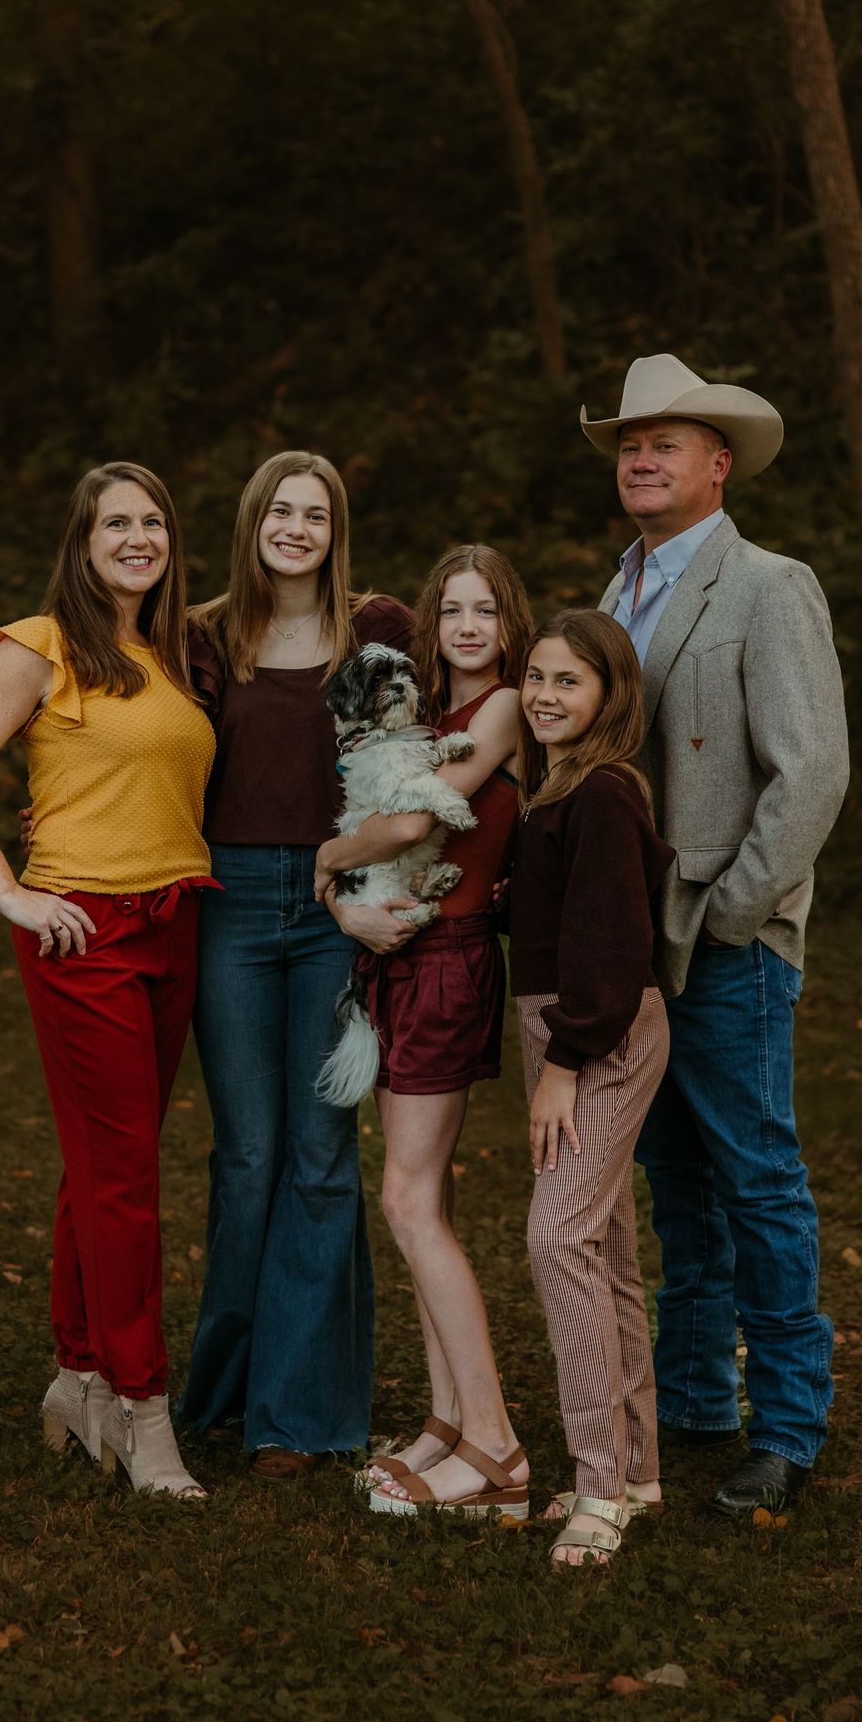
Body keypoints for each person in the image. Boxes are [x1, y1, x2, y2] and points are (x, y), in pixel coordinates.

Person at [581, 353, 850, 1516]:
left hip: (727, 939)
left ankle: (787, 1428)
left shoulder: (769, 587)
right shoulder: (615, 594)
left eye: (667, 444)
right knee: (674, 1185)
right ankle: (695, 1401)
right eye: (631, 445)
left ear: (719, 463)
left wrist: (737, 910)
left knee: (758, 1183)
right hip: (634, 948)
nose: (642, 459)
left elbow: (812, 772)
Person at [0, 461, 216, 1500]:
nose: (138, 538)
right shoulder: (42, 644)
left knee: (104, 1163)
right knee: (125, 1175)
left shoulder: (172, 652)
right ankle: (143, 1407)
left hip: (177, 924)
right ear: (83, 544)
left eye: (153, 521)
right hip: (83, 932)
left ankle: (78, 1372)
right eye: (115, 523)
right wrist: (10, 893)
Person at [177, 452, 412, 1477]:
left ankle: (299, 1413)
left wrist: (365, 883)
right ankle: (223, 1394)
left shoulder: (375, 632)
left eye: (316, 514)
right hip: (226, 902)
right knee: (247, 1156)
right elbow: (153, 755)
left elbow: (414, 752)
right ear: (252, 521)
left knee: (320, 1155)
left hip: (331, 902)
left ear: (336, 531)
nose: (296, 528)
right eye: (280, 510)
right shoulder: (204, 636)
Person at [311, 546, 531, 1517]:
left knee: (406, 1200)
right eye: (452, 612)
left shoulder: (504, 708)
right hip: (405, 956)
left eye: (487, 611)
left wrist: (321, 858)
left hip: (448, 961)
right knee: (422, 1196)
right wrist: (339, 900)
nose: (469, 628)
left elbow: (405, 828)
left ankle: (496, 1447)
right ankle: (447, 1422)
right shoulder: (431, 715)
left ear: (511, 623)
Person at [509, 611, 676, 1567]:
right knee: (605, 1246)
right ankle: (638, 1471)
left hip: (598, 1033)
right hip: (565, 1024)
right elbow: (557, 912)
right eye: (536, 676)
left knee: (558, 1237)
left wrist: (565, 1064)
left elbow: (613, 944)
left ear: (611, 695)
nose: (544, 695)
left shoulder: (605, 791)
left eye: (568, 681)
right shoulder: (558, 789)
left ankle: (599, 1488)